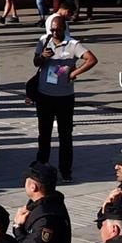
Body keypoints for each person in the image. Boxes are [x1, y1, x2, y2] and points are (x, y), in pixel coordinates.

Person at [30, 11, 97, 180]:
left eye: (58, 30)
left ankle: (65, 170)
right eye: (52, 30)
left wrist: (75, 73)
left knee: (65, 135)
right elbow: (35, 62)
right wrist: (42, 57)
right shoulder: (44, 41)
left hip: (64, 96)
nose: (54, 34)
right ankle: (41, 166)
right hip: (45, 94)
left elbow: (91, 59)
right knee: (44, 133)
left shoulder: (73, 44)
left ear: (64, 29)